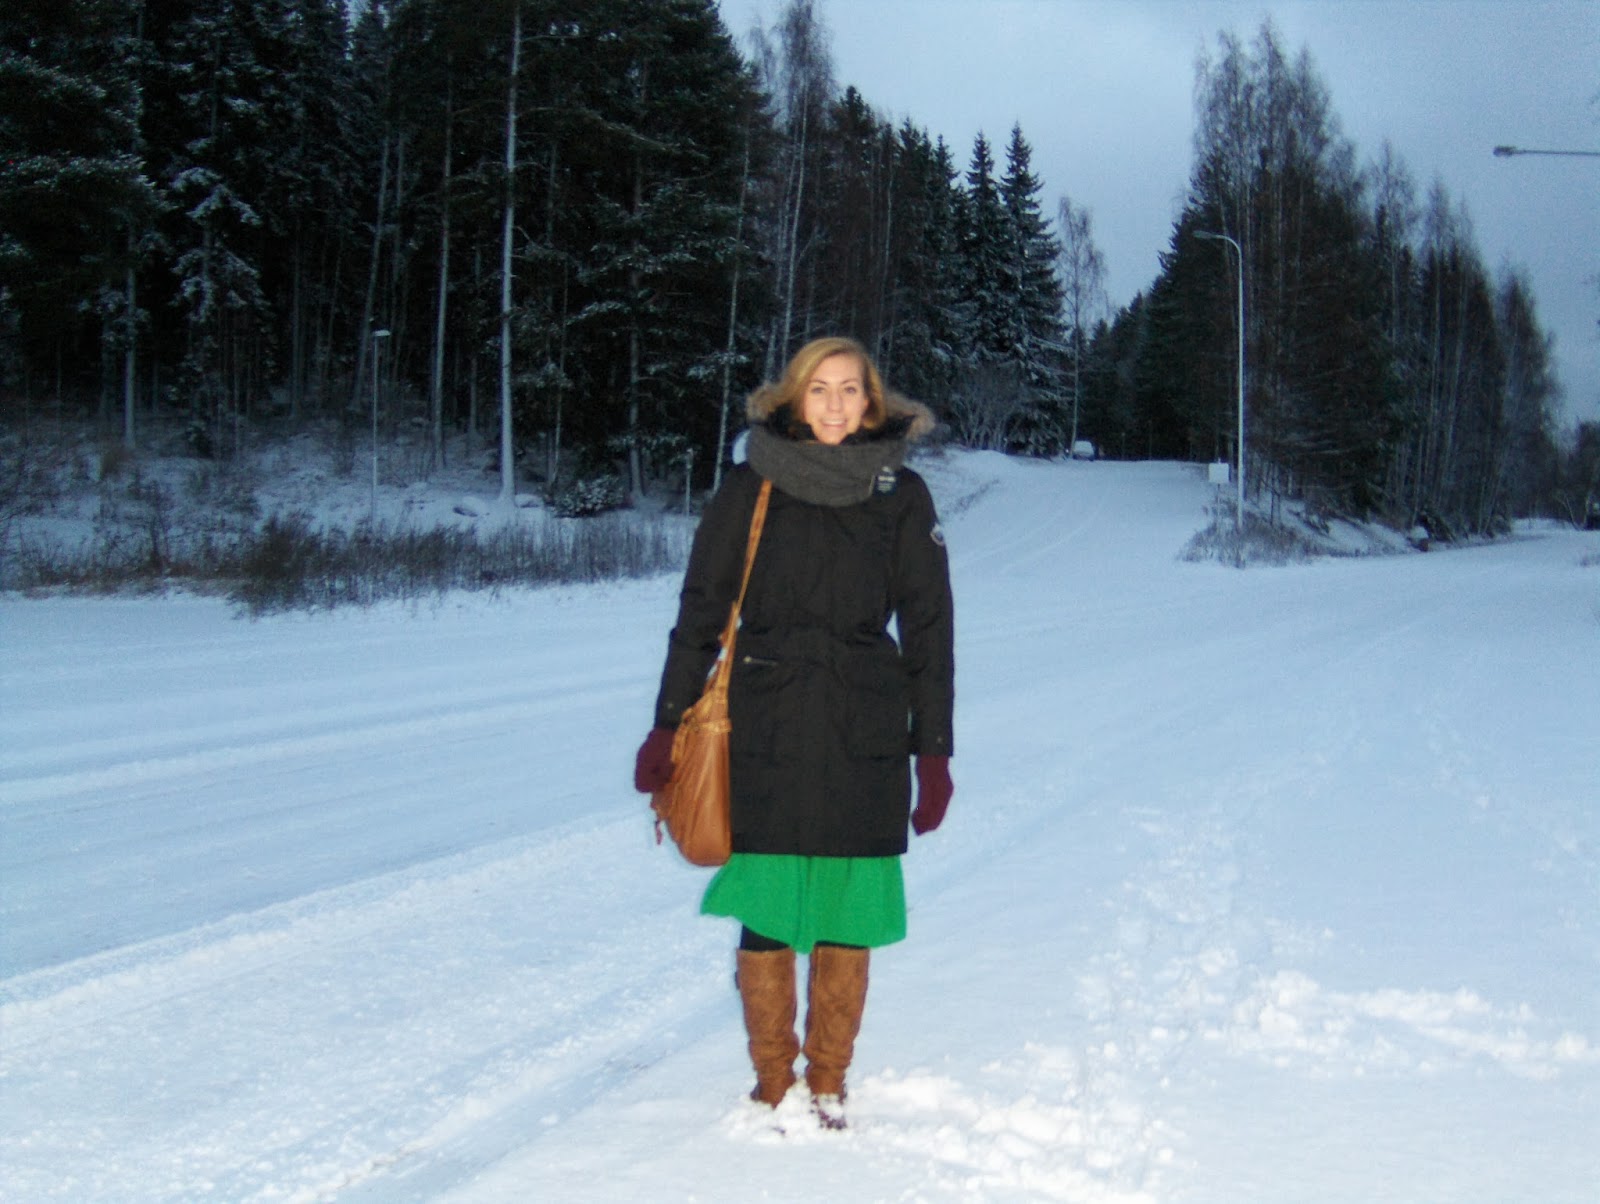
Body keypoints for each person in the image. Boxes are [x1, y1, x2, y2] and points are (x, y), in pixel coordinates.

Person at [633, 336, 955, 1129]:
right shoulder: (752, 485)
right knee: (769, 901)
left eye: (850, 389)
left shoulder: (902, 494)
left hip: (864, 723)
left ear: (871, 401)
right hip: (765, 721)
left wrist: (934, 751)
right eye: (820, 389)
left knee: (849, 906)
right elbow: (701, 612)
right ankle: (774, 1079)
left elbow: (929, 629)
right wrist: (666, 724)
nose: (836, 404)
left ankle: (830, 1079)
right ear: (794, 397)